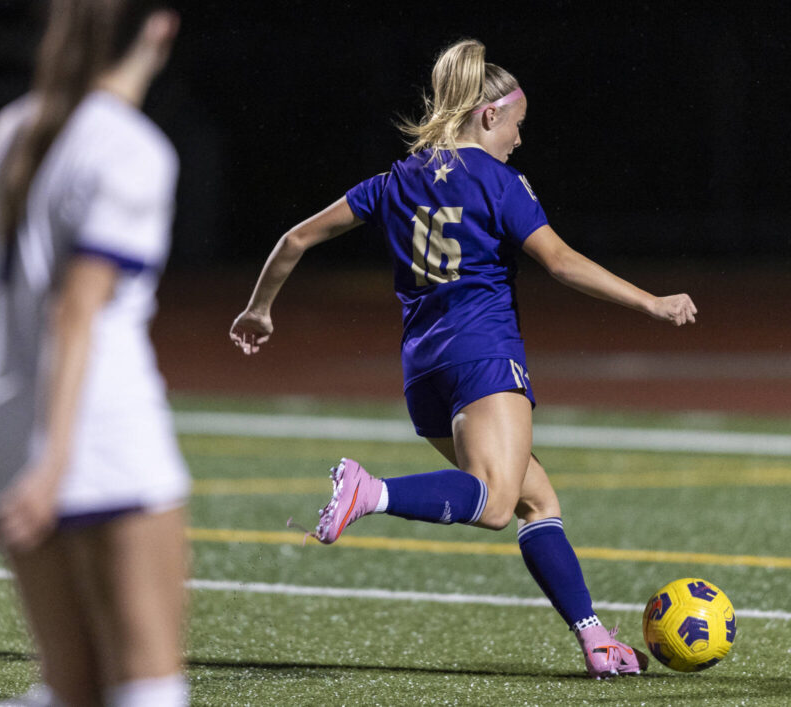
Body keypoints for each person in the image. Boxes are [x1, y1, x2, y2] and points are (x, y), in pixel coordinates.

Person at [230, 38, 697, 679]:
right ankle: (372, 492)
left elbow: (296, 238)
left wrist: (259, 308)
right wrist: (650, 303)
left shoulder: (392, 181)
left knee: (538, 501)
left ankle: (595, 640)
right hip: (484, 356)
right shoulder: (499, 181)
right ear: (487, 116)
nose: (518, 140)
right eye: (516, 125)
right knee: (498, 502)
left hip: (424, 374)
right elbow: (559, 262)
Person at [0, 1, 189, 705]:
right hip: (97, 440)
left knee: (72, 688)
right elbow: (75, 308)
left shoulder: (14, 127)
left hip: (2, 432)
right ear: (159, 28)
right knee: (149, 685)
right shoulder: (131, 147)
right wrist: (55, 458)